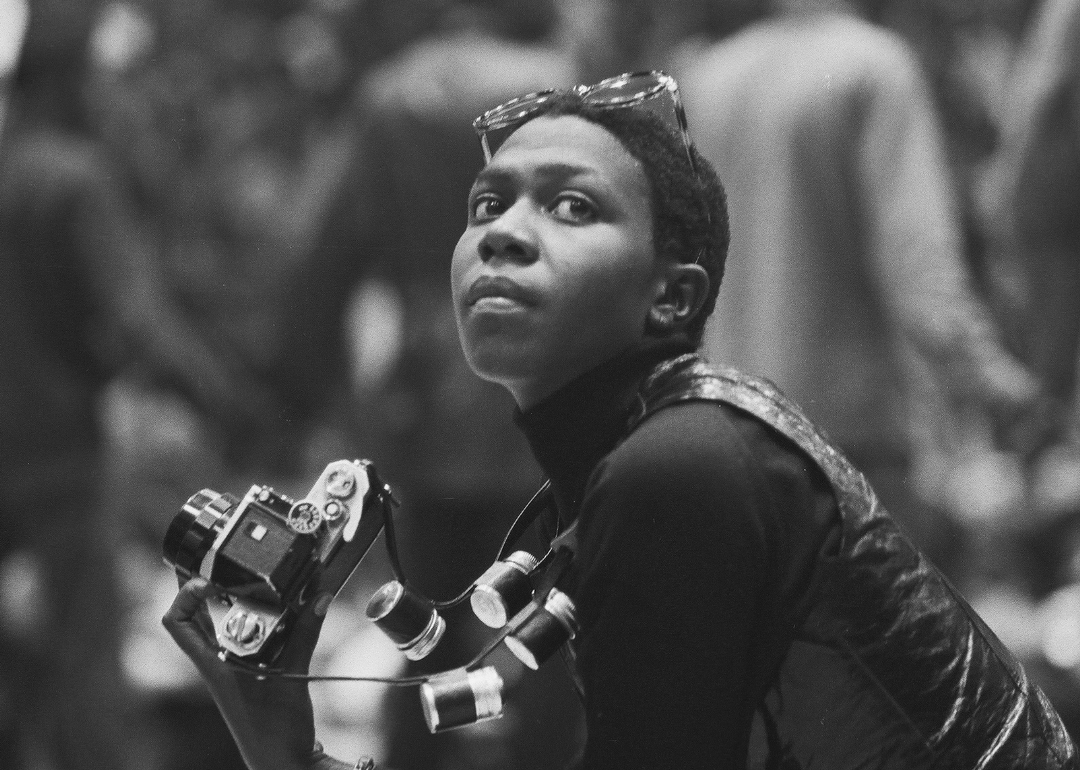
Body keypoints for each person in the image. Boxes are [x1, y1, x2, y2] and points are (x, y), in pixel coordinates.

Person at [164, 72, 1077, 769]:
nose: (505, 234)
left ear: (671, 300)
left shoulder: (680, 469)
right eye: (488, 204)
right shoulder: (645, 455)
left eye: (572, 207)